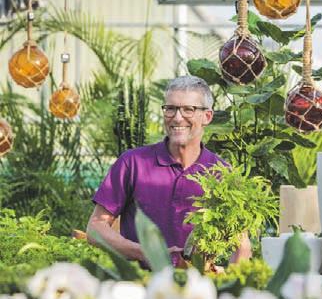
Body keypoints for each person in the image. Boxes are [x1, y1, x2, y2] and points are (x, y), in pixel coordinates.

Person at [87, 75, 251, 267]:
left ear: (207, 116)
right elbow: (96, 228)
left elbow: (242, 245)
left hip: (199, 287)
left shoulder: (223, 173)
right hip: (141, 285)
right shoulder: (133, 163)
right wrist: (145, 252)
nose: (177, 117)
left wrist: (228, 285)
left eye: (188, 109)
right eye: (170, 108)